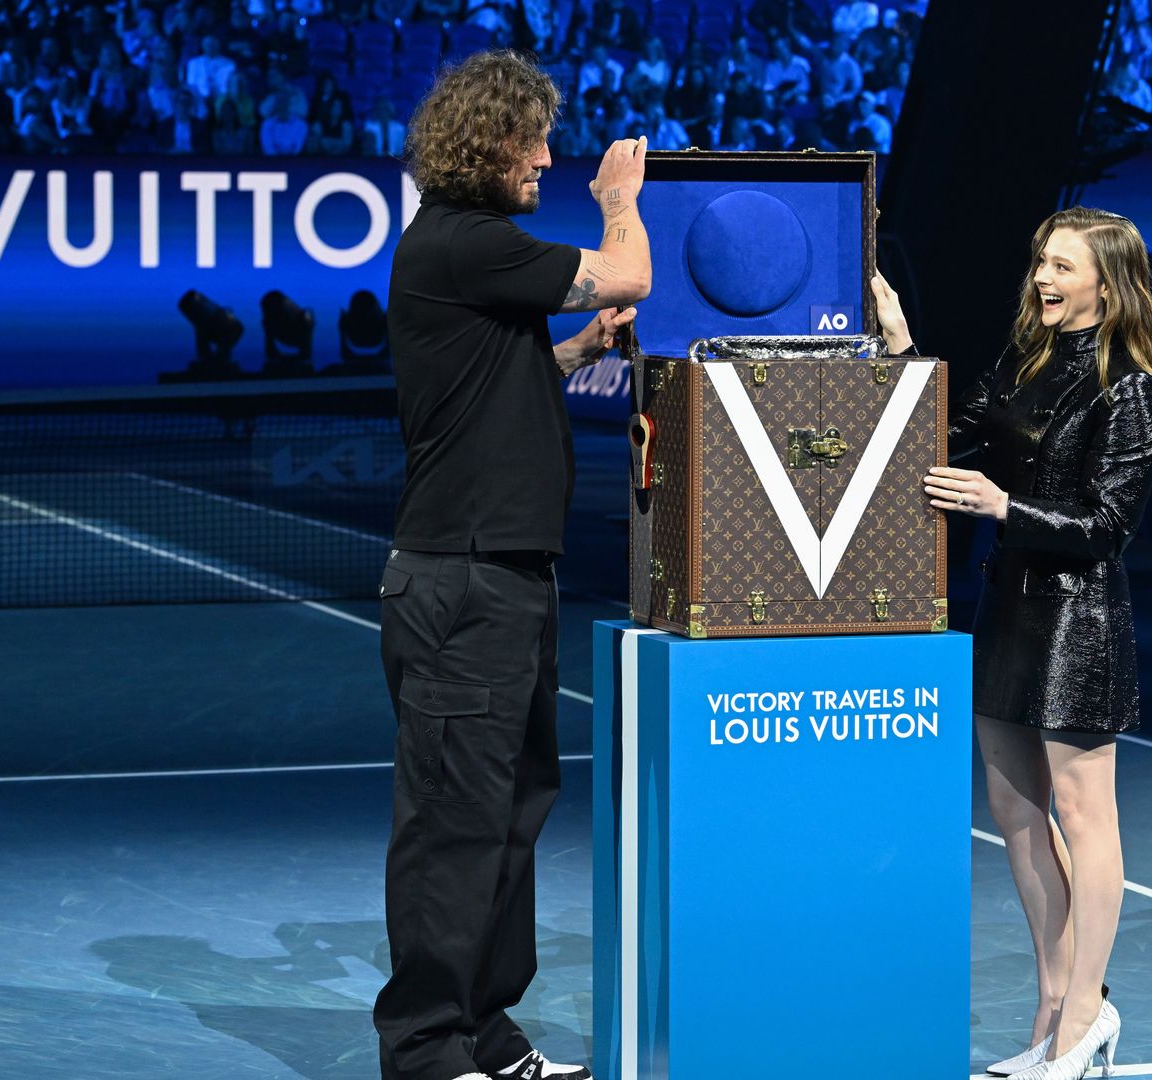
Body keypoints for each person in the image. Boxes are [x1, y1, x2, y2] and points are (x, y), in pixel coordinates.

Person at [379, 49, 651, 1080]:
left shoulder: (469, 256)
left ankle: (486, 1030)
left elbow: (494, 373)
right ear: (485, 145)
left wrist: (574, 353)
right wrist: (619, 201)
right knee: (455, 822)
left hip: (508, 576)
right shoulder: (464, 239)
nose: (545, 158)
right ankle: (425, 1047)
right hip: (460, 581)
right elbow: (629, 272)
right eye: (531, 141)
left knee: (511, 811)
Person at [872, 207, 1152, 1080]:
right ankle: (1051, 1008)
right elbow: (941, 437)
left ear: (1107, 285)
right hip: (1006, 606)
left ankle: (1087, 1014)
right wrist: (900, 343)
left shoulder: (1129, 390)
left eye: (1063, 266)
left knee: (1086, 819)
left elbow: (1108, 527)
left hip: (1077, 621)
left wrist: (1002, 506)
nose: (1044, 278)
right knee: (1016, 813)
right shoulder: (1027, 359)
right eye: (1042, 261)